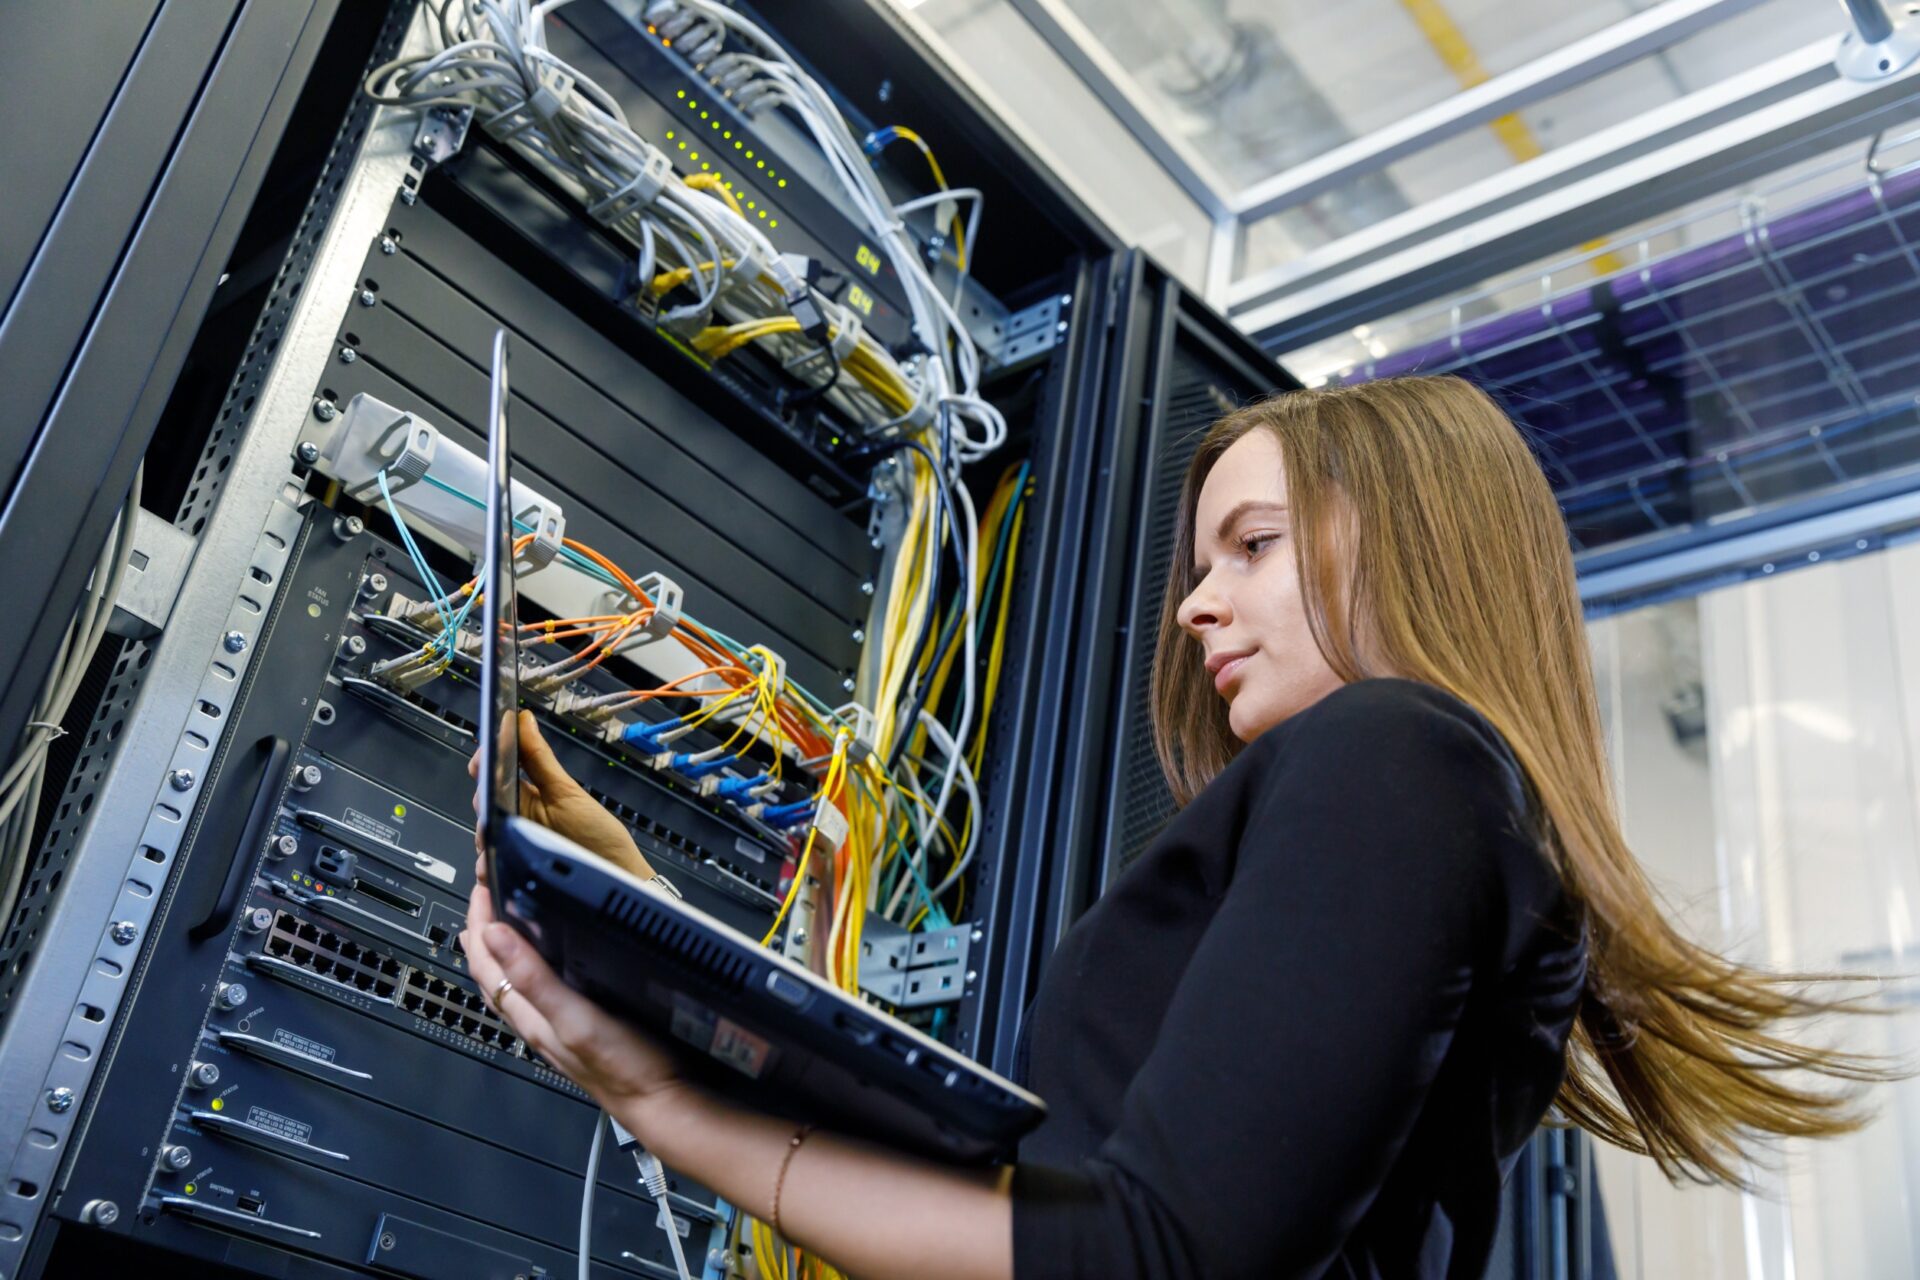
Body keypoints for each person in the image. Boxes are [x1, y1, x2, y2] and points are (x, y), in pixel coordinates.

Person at [462, 376, 1893, 1279]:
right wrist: (655, 933)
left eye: (1252, 548)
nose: (1197, 601)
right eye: (1203, 561)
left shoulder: (1402, 757)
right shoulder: (1423, 802)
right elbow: (1047, 1189)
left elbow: (1152, 1256)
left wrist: (671, 1108)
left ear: (1417, 547)